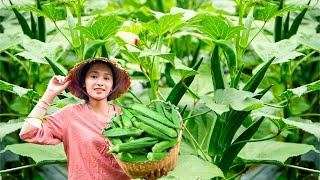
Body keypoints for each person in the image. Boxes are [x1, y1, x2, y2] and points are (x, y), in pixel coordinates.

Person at [19, 57, 167, 180]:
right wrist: (49, 94)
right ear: (84, 82)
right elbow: (28, 132)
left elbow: (139, 158)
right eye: (93, 76)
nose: (100, 82)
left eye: (106, 78)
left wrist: (149, 175)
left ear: (112, 85)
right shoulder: (70, 116)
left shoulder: (126, 116)